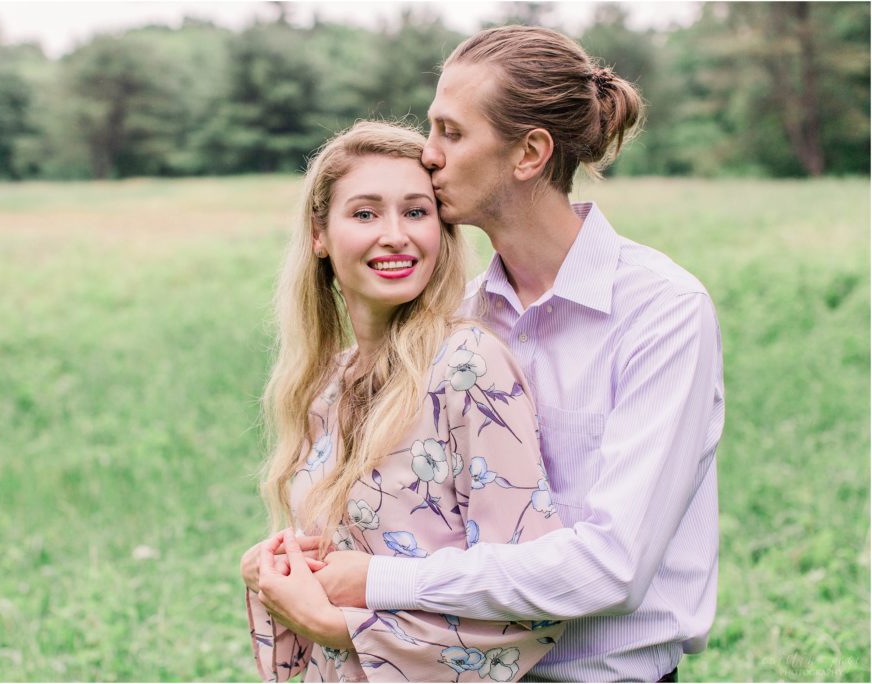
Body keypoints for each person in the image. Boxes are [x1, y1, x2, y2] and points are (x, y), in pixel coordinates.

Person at [257, 26, 725, 683]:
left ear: (529, 153)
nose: (429, 151)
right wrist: (291, 565)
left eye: (451, 131)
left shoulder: (660, 312)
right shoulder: (457, 323)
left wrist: (379, 583)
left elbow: (613, 566)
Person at [239, 120, 567, 682]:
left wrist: (344, 629)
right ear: (320, 234)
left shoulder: (468, 367)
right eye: (365, 214)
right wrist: (278, 568)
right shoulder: (328, 384)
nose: (396, 235)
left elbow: (529, 589)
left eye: (416, 213)